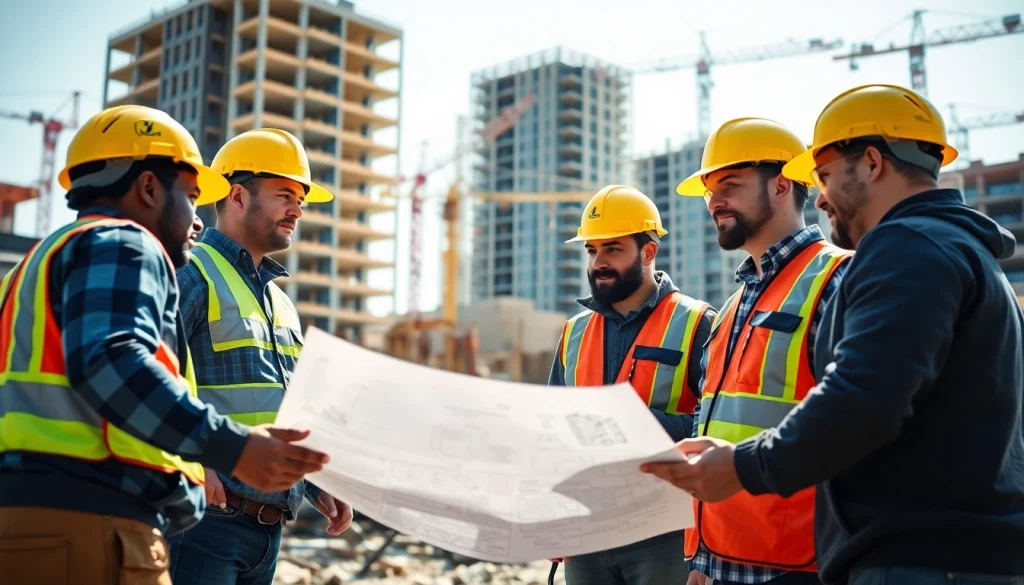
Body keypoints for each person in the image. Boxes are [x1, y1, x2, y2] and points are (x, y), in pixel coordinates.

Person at [642, 84, 1024, 585]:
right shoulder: (958, 250)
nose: (820, 197)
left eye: (823, 176)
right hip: (940, 552)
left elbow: (862, 400)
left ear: (872, 163)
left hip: (914, 556)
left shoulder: (905, 249)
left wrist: (740, 467)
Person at [0, 105, 330, 584]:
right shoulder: (123, 243)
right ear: (150, 188)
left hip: (35, 508)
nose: (196, 220)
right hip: (93, 514)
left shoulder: (35, 263)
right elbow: (113, 362)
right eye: (191, 197)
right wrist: (228, 448)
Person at [664, 117, 854, 585]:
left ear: (782, 185)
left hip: (801, 564)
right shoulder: (730, 309)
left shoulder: (841, 278)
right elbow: (712, 423)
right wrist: (702, 560)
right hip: (724, 558)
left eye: (730, 185)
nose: (715, 201)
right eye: (710, 192)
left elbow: (858, 419)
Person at [168, 127, 351, 585]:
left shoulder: (281, 303)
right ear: (237, 196)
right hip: (205, 520)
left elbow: (283, 410)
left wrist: (316, 482)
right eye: (285, 195)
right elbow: (151, 380)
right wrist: (196, 459)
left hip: (268, 531)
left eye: (301, 200)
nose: (298, 210)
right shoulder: (191, 274)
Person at [546, 185, 716, 585]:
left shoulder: (698, 322)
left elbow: (716, 429)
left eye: (613, 249)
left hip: (665, 536)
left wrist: (641, 423)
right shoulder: (573, 332)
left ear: (648, 251)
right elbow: (552, 432)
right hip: (587, 532)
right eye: (592, 250)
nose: (598, 262)